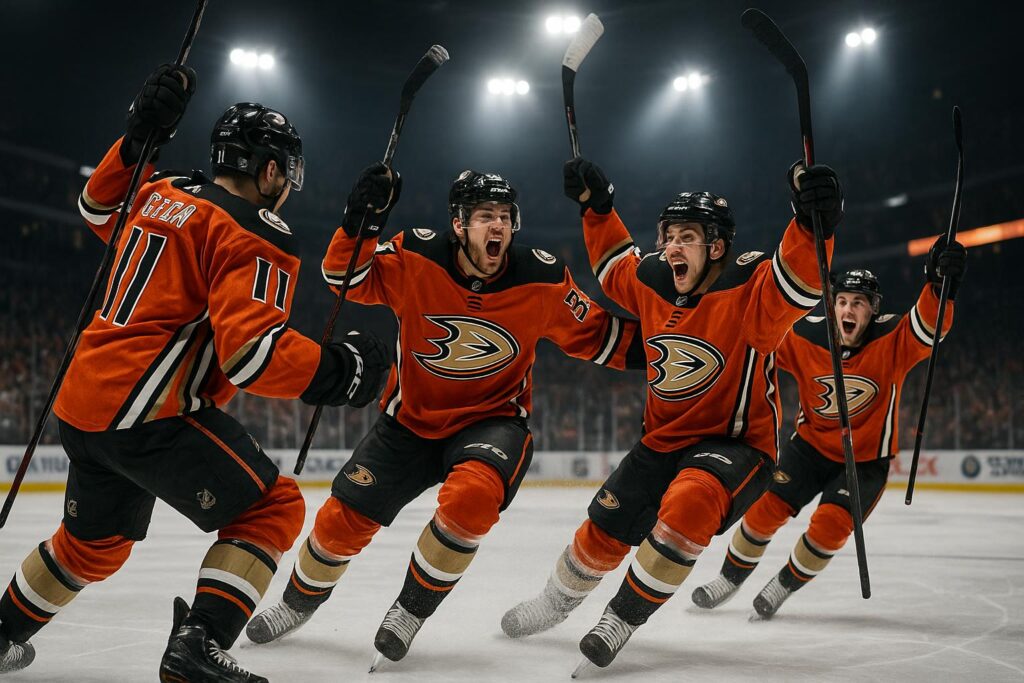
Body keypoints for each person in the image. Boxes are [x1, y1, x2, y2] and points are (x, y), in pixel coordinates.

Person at [0, 65, 388, 681]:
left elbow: (97, 206)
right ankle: (198, 646)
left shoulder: (162, 191)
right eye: (286, 173)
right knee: (272, 510)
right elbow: (252, 354)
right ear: (270, 172)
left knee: (92, 544)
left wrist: (136, 143)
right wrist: (345, 369)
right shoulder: (253, 229)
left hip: (81, 403)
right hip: (145, 413)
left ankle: (2, 632)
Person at [246, 165, 642, 668]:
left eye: (505, 216)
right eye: (485, 216)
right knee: (340, 522)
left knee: (472, 499)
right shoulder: (415, 255)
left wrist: (678, 343)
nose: (498, 225)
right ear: (458, 224)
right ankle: (297, 604)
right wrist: (360, 222)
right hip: (408, 423)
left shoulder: (541, 277)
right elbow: (343, 279)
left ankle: (410, 611)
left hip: (492, 422)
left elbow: (603, 337)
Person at [501, 157, 843, 672]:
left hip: (735, 445)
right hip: (660, 440)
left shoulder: (751, 285)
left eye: (687, 237)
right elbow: (615, 267)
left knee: (688, 506)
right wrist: (598, 208)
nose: (672, 247)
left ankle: (620, 619)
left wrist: (814, 223)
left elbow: (799, 282)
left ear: (717, 247)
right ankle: (554, 603)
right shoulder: (655, 277)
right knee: (602, 530)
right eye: (669, 236)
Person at [691, 250, 965, 619]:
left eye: (858, 303)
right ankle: (728, 579)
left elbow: (930, 327)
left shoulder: (892, 337)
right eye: (842, 301)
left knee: (829, 528)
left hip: (865, 461)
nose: (848, 310)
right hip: (809, 449)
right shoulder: (807, 335)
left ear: (873, 310)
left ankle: (783, 584)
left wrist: (940, 286)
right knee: (763, 511)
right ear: (832, 305)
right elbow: (761, 337)